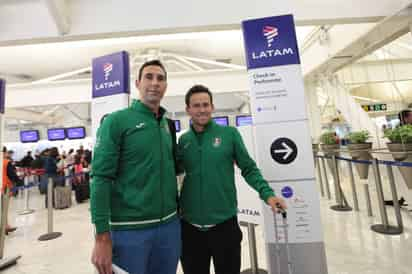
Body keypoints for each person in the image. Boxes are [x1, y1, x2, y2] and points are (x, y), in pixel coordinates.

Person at [177, 85, 286, 274]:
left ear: (212, 107)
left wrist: (268, 195)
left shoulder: (229, 135)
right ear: (188, 110)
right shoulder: (183, 141)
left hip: (224, 227)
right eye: (196, 106)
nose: (201, 109)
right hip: (190, 229)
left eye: (205, 104)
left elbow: (249, 169)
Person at [90, 60, 180, 274]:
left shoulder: (166, 125)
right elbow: (100, 179)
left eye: (160, 78)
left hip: (169, 227)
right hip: (128, 231)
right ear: (138, 83)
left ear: (165, 87)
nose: (155, 83)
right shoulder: (116, 121)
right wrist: (101, 237)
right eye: (149, 77)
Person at [2, 147, 20, 234]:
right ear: (4, 152)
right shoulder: (6, 162)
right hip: (4, 188)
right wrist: (19, 180)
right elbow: (12, 175)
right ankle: (5, 227)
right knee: (4, 208)